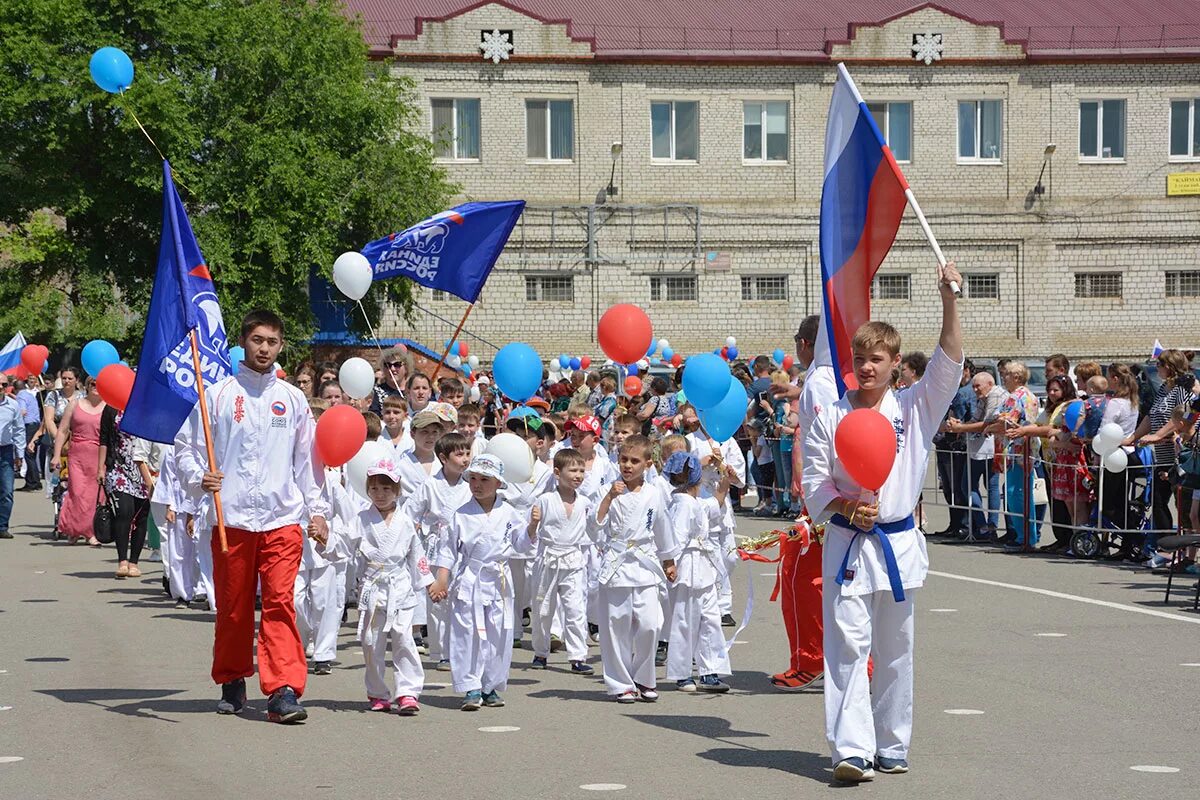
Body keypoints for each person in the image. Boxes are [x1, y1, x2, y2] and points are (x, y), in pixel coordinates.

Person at [802, 261, 963, 783]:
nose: (866, 368)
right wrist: (846, 506)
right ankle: (851, 749)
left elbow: (949, 363)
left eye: (877, 360)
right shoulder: (831, 416)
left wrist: (949, 300)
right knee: (848, 649)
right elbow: (814, 484)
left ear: (895, 364)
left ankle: (892, 743)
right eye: (859, 359)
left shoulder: (914, 408)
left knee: (896, 651)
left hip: (896, 544)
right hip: (849, 544)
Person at [175, 309, 328, 724]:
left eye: (272, 342)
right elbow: (185, 448)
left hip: (282, 519)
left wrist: (317, 511)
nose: (264, 348)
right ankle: (232, 678)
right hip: (233, 520)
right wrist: (199, 477)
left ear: (281, 346)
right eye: (258, 339)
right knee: (234, 607)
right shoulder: (218, 395)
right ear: (244, 341)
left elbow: (307, 463)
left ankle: (283, 690)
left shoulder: (292, 400)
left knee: (280, 602)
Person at [432, 453, 532, 711]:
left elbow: (520, 543)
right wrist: (442, 579)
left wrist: (532, 527)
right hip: (470, 580)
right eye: (473, 478)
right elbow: (447, 550)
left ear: (498, 483)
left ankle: (491, 686)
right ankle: (471, 686)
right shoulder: (461, 514)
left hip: (498, 579)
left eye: (484, 479)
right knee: (468, 633)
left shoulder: (509, 512)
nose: (477, 484)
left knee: (498, 633)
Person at [344, 456, 434, 715]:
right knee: (371, 643)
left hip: (400, 588)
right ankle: (377, 692)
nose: (380, 494)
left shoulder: (405, 521)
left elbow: (416, 554)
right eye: (374, 488)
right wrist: (325, 540)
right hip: (373, 588)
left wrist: (427, 583)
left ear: (397, 490)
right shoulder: (360, 519)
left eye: (386, 489)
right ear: (367, 489)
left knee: (404, 639)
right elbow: (345, 545)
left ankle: (408, 692)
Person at [593, 435, 676, 703]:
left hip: (644, 563)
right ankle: (620, 683)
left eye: (634, 461)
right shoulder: (608, 489)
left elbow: (663, 527)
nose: (627, 466)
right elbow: (593, 528)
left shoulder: (655, 493)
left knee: (651, 624)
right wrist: (608, 497)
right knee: (616, 625)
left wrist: (668, 559)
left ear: (648, 464)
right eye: (623, 460)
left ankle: (644, 678)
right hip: (617, 563)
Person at [662, 450, 734, 693]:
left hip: (702, 568)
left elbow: (716, 502)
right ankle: (683, 674)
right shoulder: (682, 505)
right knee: (685, 620)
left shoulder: (694, 503)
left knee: (710, 619)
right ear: (697, 477)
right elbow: (678, 537)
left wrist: (725, 480)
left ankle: (709, 670)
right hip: (687, 568)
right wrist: (671, 563)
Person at [404, 431, 473, 671]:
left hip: (463, 549)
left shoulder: (471, 484)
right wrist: (412, 538)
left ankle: (460, 649)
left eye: (467, 453)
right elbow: (410, 513)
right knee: (437, 601)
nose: (465, 459)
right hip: (435, 547)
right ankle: (441, 652)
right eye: (459, 454)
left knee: (461, 599)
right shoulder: (430, 485)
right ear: (444, 458)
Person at [527, 448, 594, 674]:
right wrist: (533, 523)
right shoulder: (545, 500)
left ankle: (577, 656)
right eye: (572, 470)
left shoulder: (585, 502)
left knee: (575, 609)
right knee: (543, 609)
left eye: (581, 470)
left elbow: (594, 528)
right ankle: (540, 652)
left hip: (573, 560)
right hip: (548, 558)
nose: (577, 475)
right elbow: (531, 534)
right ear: (557, 472)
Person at [1127, 349, 1195, 566]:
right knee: (1157, 502)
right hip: (1161, 456)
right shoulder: (1163, 389)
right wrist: (1132, 437)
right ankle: (1166, 547)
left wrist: (1158, 435)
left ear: (1170, 366)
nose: (1157, 368)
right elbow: (1151, 415)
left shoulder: (1183, 389)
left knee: (1183, 507)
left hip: (1179, 456)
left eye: (1159, 365)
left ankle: (1184, 554)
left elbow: (1185, 415)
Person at [99, 407, 158, 578]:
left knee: (141, 516)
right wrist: (100, 468)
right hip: (118, 468)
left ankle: (134, 562)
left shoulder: (146, 406)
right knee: (124, 512)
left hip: (144, 467)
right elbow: (103, 439)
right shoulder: (110, 409)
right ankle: (122, 561)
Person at [991, 362, 1045, 549]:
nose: (1004, 378)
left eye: (1006, 374)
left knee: (1015, 495)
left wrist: (990, 425)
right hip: (1027, 449)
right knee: (1022, 493)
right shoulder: (1030, 395)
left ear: (1016, 377)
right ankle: (1027, 536)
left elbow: (1007, 420)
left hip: (1018, 451)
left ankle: (1024, 537)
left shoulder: (1015, 397)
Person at [947, 371, 1004, 539]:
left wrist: (961, 428)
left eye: (978, 386)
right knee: (983, 486)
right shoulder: (985, 397)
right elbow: (976, 420)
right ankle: (986, 525)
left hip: (987, 449)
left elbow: (987, 423)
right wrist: (960, 425)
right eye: (973, 386)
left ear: (989, 384)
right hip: (983, 447)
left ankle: (987, 526)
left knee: (972, 486)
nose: (975, 390)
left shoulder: (995, 395)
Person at [51, 376, 105, 545]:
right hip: (77, 454)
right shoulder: (75, 404)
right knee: (77, 492)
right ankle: (74, 529)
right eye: (92, 384)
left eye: (99, 384)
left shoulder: (108, 406)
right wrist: (56, 454)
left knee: (94, 495)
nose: (95, 387)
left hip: (99, 455)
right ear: (87, 386)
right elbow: (63, 431)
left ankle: (90, 532)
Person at [931, 359, 974, 537]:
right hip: (945, 443)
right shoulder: (951, 390)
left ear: (965, 371)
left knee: (956, 486)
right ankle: (955, 523)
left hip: (956, 444)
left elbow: (958, 418)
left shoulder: (964, 392)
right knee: (948, 486)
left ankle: (962, 524)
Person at [39, 368, 80, 499]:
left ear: (76, 380)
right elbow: (49, 419)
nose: (66, 381)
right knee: (58, 486)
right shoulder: (53, 396)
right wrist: (59, 440)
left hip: (77, 444)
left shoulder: (83, 397)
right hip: (57, 443)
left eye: (70, 378)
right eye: (64, 378)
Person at [0, 374, 26, 539]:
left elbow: (19, 430)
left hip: (6, 451)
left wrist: (20, 454)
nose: (1, 387)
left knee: (7, 491)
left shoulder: (13, 405)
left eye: (3, 384)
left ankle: (2, 526)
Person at [16, 378, 42, 492]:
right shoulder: (30, 395)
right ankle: (32, 481)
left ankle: (33, 482)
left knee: (28, 454)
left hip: (28, 425)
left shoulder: (21, 395)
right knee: (32, 453)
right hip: (35, 424)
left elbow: (23, 411)